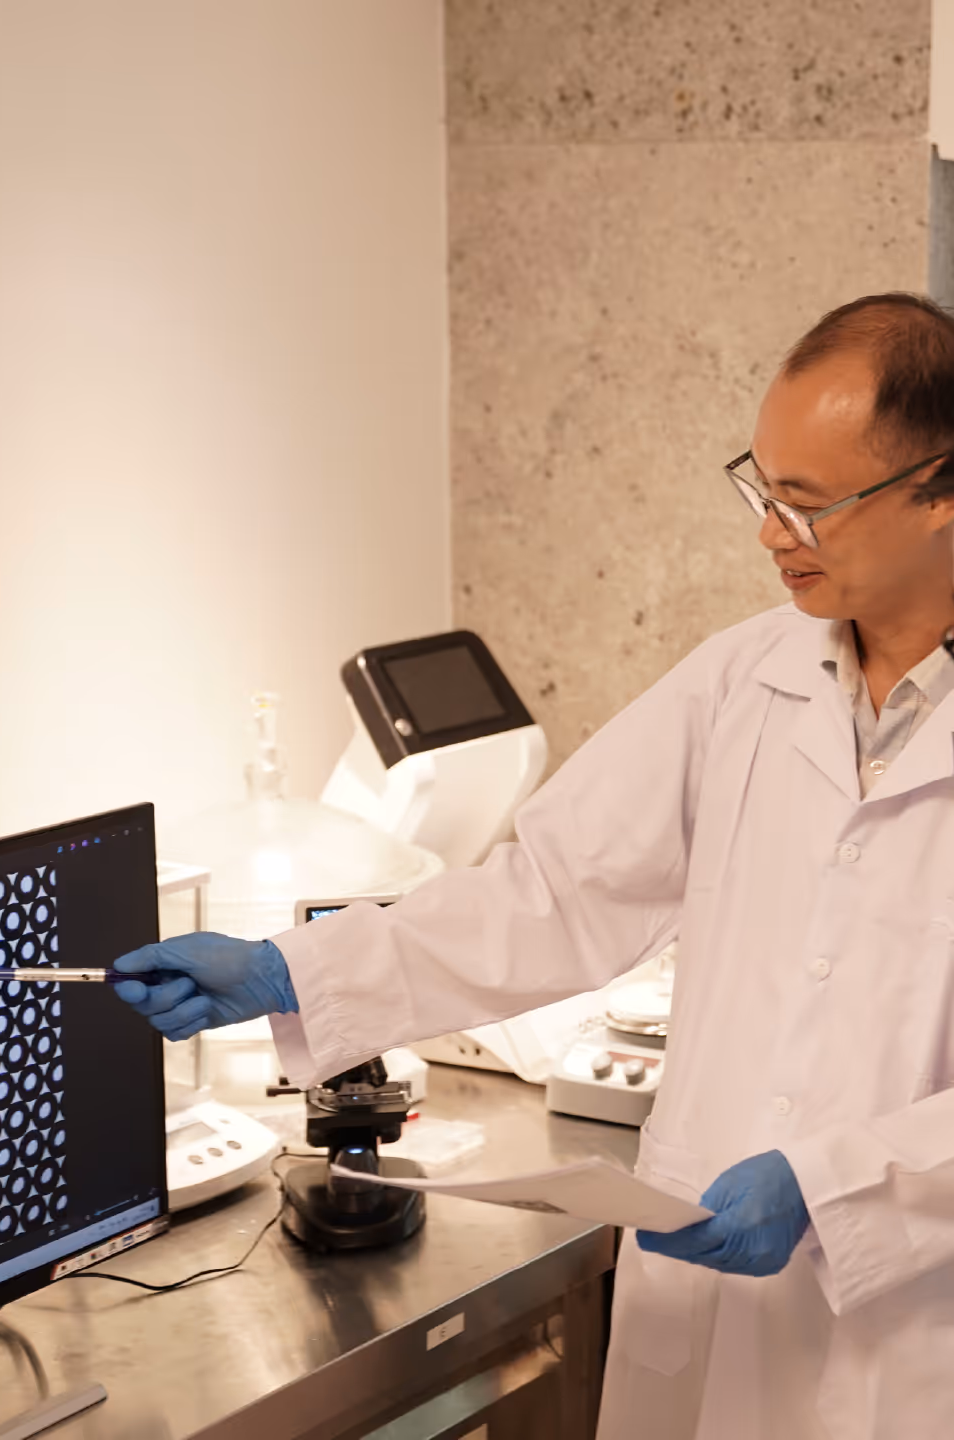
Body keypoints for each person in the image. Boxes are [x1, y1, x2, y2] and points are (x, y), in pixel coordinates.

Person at [113, 293, 954, 1440]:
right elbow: (552, 893)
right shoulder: (742, 680)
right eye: (760, 491)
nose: (769, 535)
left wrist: (835, 1183)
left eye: (806, 507)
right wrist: (288, 973)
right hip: (708, 1299)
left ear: (940, 491)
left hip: (905, 1339)